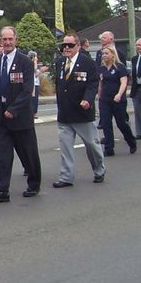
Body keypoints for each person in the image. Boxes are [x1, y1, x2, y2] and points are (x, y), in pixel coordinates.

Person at [0, 26, 41, 203]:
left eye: (10, 39)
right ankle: (1, 191)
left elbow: (27, 90)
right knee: (2, 154)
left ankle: (34, 183)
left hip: (20, 116)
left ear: (16, 39)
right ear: (0, 41)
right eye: (4, 39)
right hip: (1, 116)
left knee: (28, 153)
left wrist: (13, 109)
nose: (7, 42)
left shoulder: (25, 62)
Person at [53, 33, 105, 187]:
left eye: (70, 45)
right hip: (65, 113)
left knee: (91, 144)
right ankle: (66, 176)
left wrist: (88, 99)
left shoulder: (87, 62)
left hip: (82, 113)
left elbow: (93, 83)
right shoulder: (60, 63)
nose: (66, 48)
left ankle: (99, 170)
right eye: (64, 45)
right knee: (66, 148)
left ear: (78, 46)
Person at [97, 45, 138, 156]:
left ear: (113, 55)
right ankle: (109, 148)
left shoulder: (120, 67)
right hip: (105, 100)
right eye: (103, 54)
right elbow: (100, 84)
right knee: (106, 123)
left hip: (117, 100)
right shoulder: (102, 69)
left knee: (121, 123)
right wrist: (99, 97)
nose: (104, 56)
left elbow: (124, 82)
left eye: (106, 53)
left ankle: (131, 142)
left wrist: (119, 94)